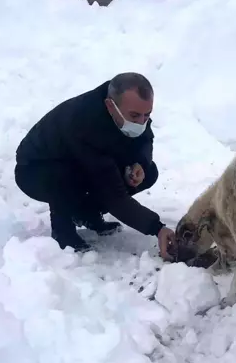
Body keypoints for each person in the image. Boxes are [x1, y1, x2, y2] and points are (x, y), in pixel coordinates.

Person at [14, 72, 175, 257]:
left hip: (81, 161)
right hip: (35, 171)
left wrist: (140, 164)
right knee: (64, 176)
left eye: (147, 115)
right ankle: (63, 232)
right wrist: (157, 228)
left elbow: (145, 139)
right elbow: (114, 195)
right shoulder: (85, 123)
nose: (141, 122)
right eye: (135, 116)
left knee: (149, 173)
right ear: (110, 105)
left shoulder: (128, 108)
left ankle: (87, 214)